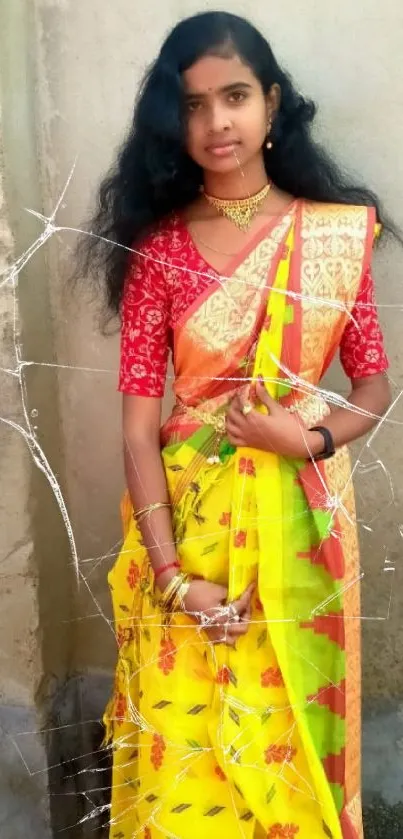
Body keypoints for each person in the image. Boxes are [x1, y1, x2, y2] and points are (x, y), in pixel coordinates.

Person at [79, 11, 394, 839]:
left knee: (285, 727)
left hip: (299, 527)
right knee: (187, 743)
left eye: (235, 96)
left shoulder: (328, 231)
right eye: (191, 106)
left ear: (271, 102)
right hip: (183, 526)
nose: (216, 122)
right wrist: (173, 575)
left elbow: (372, 382)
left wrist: (311, 439)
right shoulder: (159, 252)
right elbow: (137, 430)